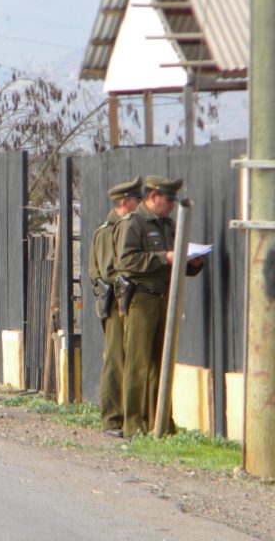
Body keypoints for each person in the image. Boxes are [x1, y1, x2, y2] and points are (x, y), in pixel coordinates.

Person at [112, 175, 205, 439]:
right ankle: (134, 426)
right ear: (153, 197)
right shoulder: (133, 223)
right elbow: (126, 261)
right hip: (141, 299)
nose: (172, 205)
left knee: (160, 364)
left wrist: (192, 263)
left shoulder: (168, 224)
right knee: (138, 364)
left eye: (174, 201)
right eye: (168, 200)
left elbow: (175, 262)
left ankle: (160, 423)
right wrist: (164, 257)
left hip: (165, 296)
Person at [88, 176, 142, 439]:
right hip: (115, 302)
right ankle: (111, 419)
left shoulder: (126, 227)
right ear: (124, 202)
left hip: (129, 302)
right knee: (115, 360)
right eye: (136, 200)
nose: (139, 205)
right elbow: (109, 270)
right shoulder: (109, 230)